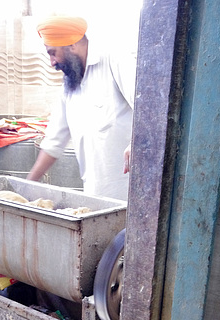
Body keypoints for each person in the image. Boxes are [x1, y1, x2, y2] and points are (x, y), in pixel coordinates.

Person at [27, 15, 136, 201]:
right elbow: (53, 142)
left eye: (53, 53)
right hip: (94, 194)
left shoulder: (115, 60)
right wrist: (28, 186)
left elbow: (150, 111)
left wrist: (137, 142)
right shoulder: (70, 86)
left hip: (131, 195)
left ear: (72, 45)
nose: (52, 62)